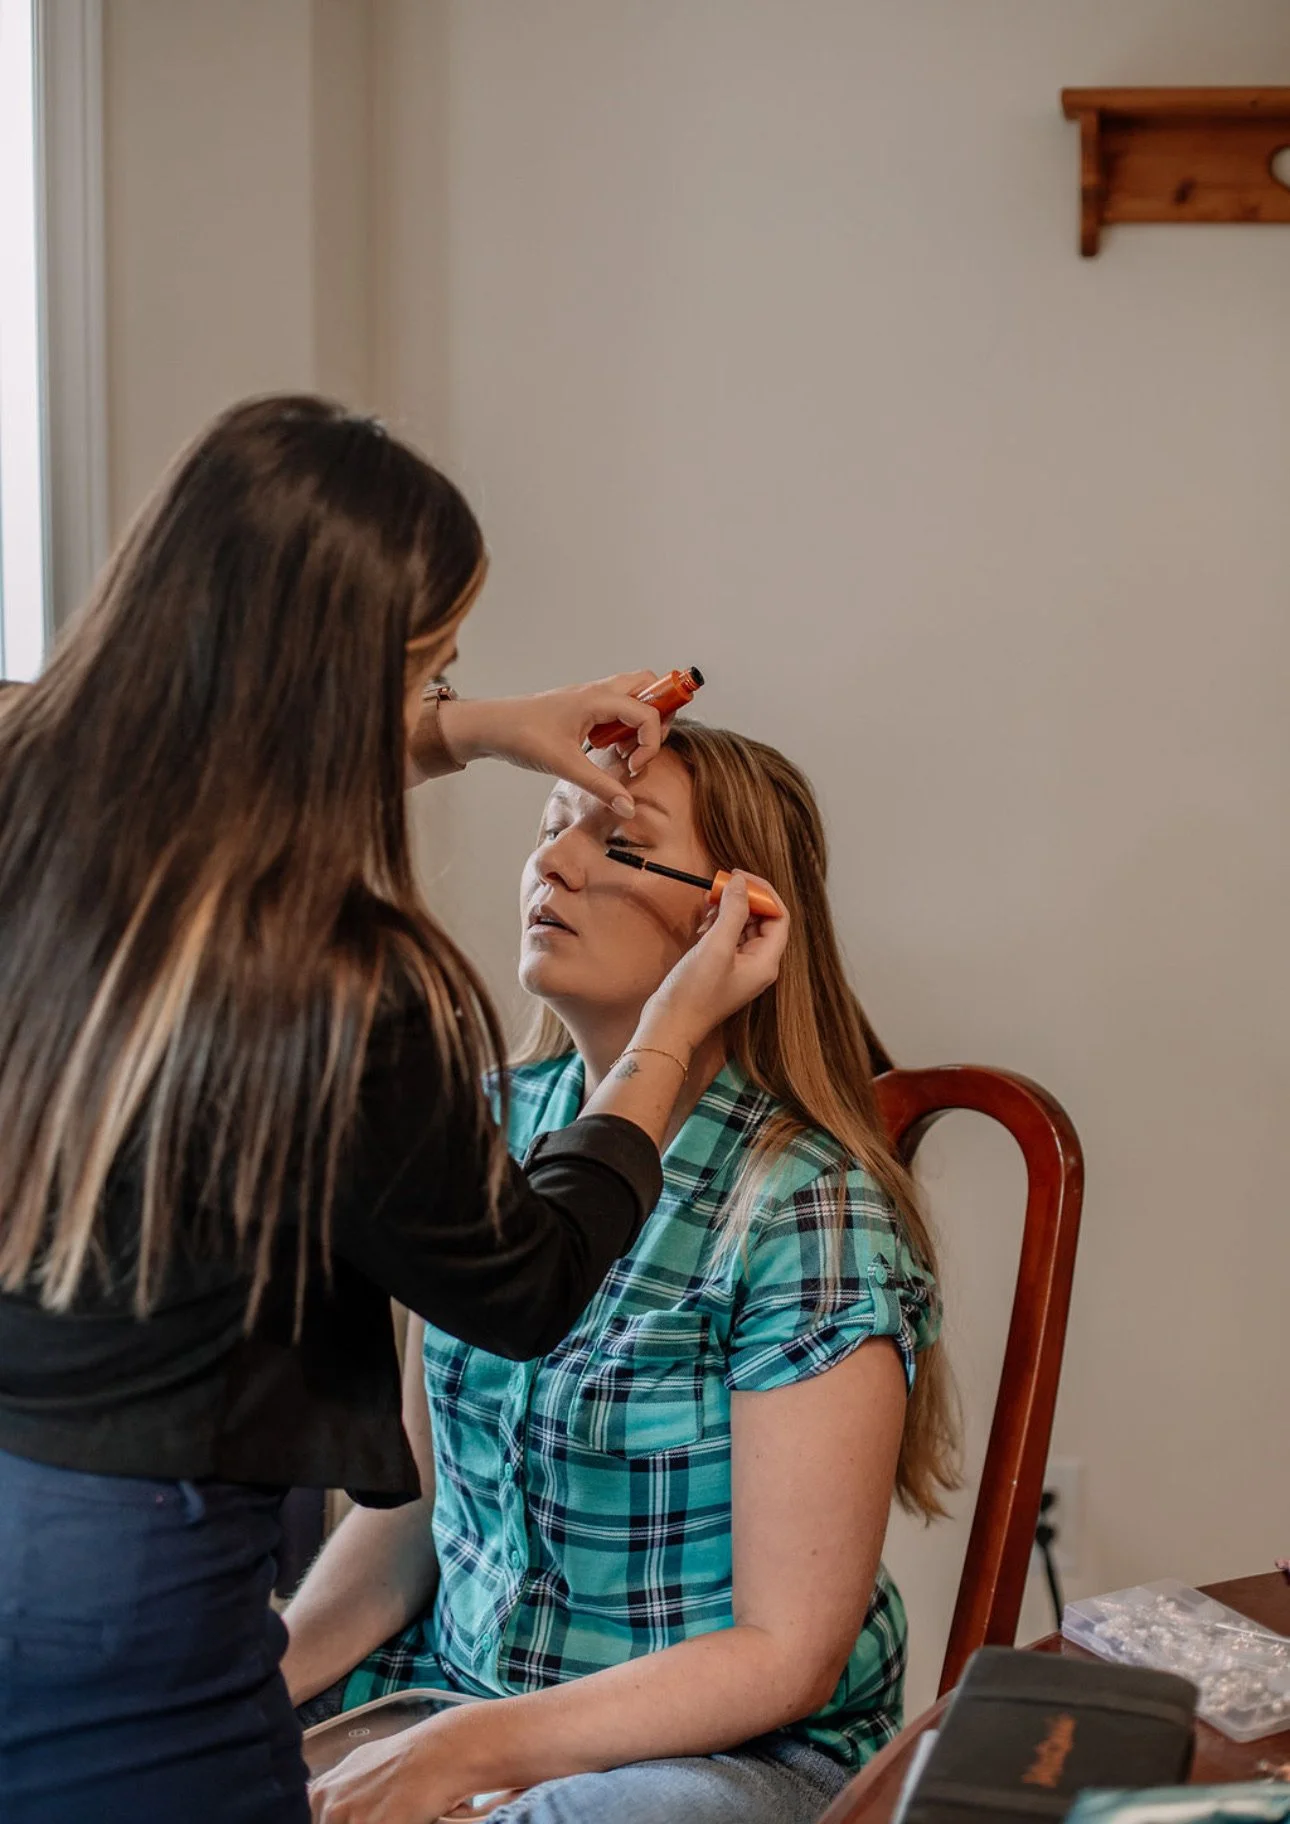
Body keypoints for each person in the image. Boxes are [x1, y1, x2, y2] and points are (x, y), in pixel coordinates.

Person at [0, 397, 789, 1824]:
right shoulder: (355, 988)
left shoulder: (27, 796)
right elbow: (528, 1287)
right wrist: (663, 1049)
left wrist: (474, 727)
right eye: (426, 670)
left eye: (620, 839)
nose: (561, 856)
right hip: (127, 1584)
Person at [286, 722, 961, 1824]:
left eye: (617, 842)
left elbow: (781, 1657)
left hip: (726, 1760)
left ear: (733, 918)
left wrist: (468, 1754)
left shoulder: (805, 1203)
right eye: (552, 827)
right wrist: (242, 1689)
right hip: (457, 1698)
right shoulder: (490, 1123)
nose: (553, 864)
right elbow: (408, 1513)